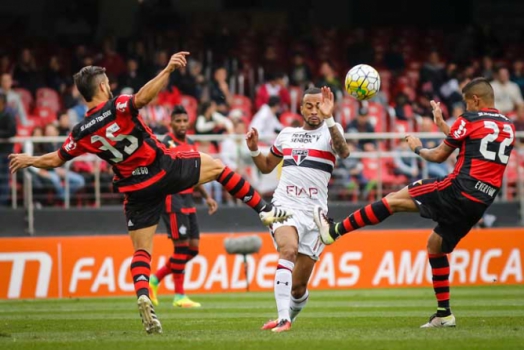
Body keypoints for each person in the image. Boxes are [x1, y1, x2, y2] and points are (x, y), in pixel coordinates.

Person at [8, 51, 292, 334]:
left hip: (135, 190)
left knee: (142, 250)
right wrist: (167, 70)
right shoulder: (116, 106)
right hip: (162, 170)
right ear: (102, 87)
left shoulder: (80, 132)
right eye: (107, 83)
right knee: (217, 167)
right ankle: (264, 210)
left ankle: (143, 293)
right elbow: (142, 98)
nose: (110, 86)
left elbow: (57, 158)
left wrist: (29, 160)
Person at [313, 78, 515, 328]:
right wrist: (443, 125)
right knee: (435, 246)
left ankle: (333, 232)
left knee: (393, 200)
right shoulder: (507, 125)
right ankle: (444, 314)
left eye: (466, 102)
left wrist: (417, 148)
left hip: (457, 189)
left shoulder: (469, 119)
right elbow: (475, 144)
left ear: (475, 99)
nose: (465, 107)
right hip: (480, 201)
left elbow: (439, 155)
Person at [246, 86, 349, 333]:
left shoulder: (331, 132)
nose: (315, 111)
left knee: (298, 287)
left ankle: (288, 315)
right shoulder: (286, 134)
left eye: (319, 106)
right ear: (301, 108)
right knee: (288, 251)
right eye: (309, 106)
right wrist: (253, 149)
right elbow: (266, 166)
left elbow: (343, 152)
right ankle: (283, 319)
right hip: (285, 208)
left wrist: (330, 118)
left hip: (315, 217)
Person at [149, 105, 218, 308]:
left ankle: (155, 279)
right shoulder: (165, 143)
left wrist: (206, 196)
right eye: (177, 121)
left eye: (184, 121)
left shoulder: (190, 142)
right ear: (170, 123)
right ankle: (179, 296)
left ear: (188, 122)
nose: (181, 124)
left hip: (189, 200)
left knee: (193, 249)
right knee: (181, 248)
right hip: (172, 200)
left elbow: (193, 173)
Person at [0, 93, 16, 206]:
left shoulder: (9, 114)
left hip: (5, 153)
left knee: (4, 179)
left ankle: (3, 204)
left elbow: (12, 131)